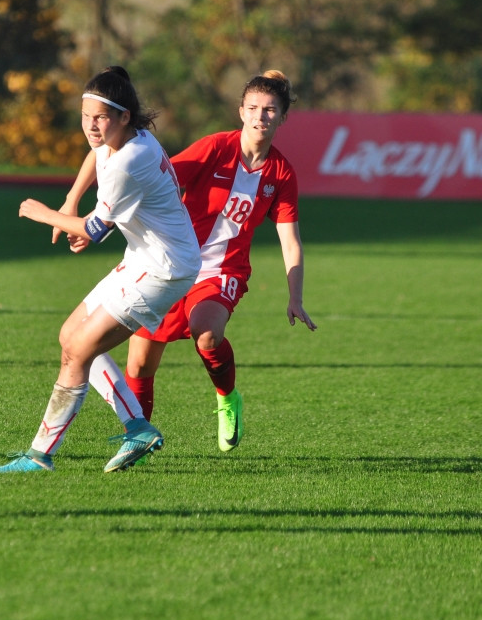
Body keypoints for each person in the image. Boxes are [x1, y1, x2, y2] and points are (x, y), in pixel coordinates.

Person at [58, 70, 316, 453]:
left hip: (222, 271)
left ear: (282, 116)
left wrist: (295, 296)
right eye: (253, 108)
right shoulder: (214, 148)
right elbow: (147, 175)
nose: (260, 116)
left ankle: (227, 398)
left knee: (207, 332)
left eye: (270, 110)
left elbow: (290, 241)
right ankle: (136, 442)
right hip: (170, 263)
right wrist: (73, 201)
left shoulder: (281, 173)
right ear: (241, 111)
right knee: (141, 365)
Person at [0, 66, 200, 475]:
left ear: (124, 116)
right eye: (85, 116)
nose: (91, 126)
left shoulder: (131, 161)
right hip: (144, 257)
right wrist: (70, 202)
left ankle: (39, 456)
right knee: (70, 336)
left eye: (100, 117)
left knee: (78, 352)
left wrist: (44, 214)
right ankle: (137, 427)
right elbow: (95, 157)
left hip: (164, 270)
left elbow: (94, 230)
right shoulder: (126, 138)